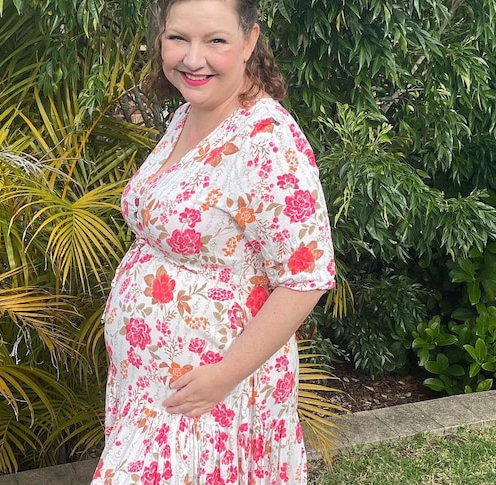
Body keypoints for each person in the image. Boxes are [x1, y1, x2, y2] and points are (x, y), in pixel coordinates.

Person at [90, 0, 336, 483]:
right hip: (154, 386)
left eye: (215, 41)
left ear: (249, 41)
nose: (191, 58)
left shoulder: (268, 142)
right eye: (178, 37)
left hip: (212, 393)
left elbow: (306, 279)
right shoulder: (190, 113)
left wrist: (221, 379)